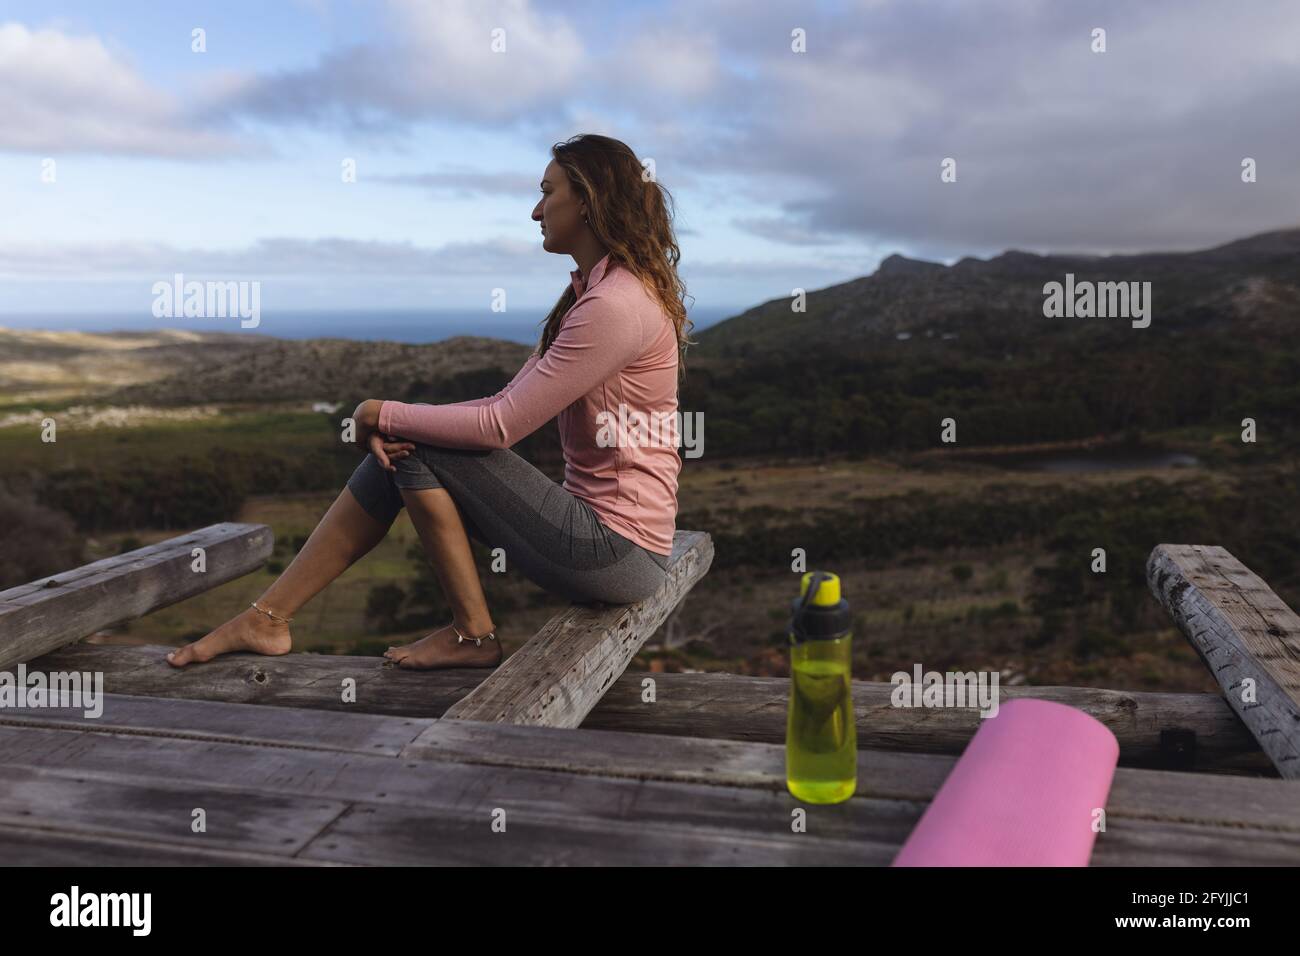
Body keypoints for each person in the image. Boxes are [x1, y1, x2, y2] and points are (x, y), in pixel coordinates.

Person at [166, 133, 695, 671]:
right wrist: (395, 418)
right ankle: (268, 619)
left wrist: (379, 412)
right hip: (613, 543)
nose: (536, 209)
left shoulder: (615, 305)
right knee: (408, 444)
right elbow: (504, 401)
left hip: (618, 554)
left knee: (412, 443)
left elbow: (499, 426)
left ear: (587, 199)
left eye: (547, 192)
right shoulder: (595, 296)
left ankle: (470, 636)